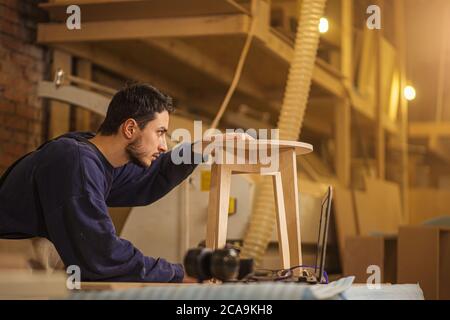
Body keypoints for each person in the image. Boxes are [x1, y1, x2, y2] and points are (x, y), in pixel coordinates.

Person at [0, 83, 250, 283]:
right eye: (160, 132)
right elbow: (101, 254)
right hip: (11, 264)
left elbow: (150, 178)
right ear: (130, 128)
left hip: (38, 258)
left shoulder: (94, 158)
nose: (163, 146)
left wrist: (202, 148)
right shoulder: (75, 161)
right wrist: (179, 273)